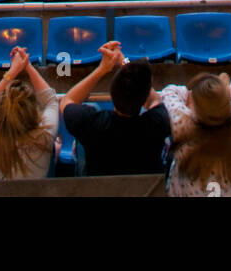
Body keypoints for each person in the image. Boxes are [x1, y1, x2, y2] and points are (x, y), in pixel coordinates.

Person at [61, 42, 170, 177]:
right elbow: (155, 100)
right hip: (142, 190)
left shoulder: (92, 123)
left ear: (112, 94)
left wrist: (102, 68)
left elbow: (67, 100)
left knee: (90, 112)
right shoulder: (157, 122)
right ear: (144, 100)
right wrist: (124, 62)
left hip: (98, 189)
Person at [159, 72, 231, 198]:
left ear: (194, 108)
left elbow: (169, 92)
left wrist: (194, 97)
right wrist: (222, 87)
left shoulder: (183, 129)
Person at [0, 45, 59, 181]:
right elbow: (51, 100)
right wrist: (28, 66)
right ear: (33, 112)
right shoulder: (44, 138)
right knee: (54, 147)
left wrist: (13, 70)